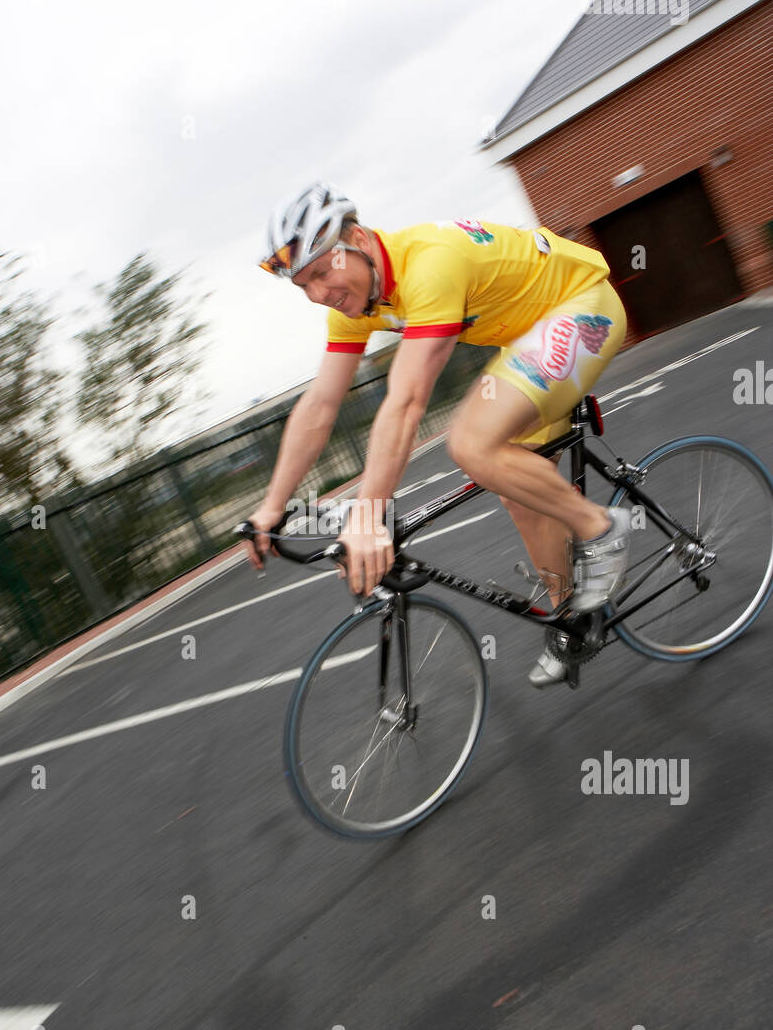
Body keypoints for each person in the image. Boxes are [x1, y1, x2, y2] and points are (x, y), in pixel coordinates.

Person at [244, 182, 631, 686]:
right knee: (520, 492)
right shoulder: (357, 302)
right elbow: (320, 404)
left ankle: (602, 528)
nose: (319, 295)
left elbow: (405, 403)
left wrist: (368, 515)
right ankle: (576, 620)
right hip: (530, 334)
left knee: (471, 443)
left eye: (321, 272)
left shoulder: (429, 264)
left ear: (358, 240)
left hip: (582, 307)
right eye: (304, 286)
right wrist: (272, 505)